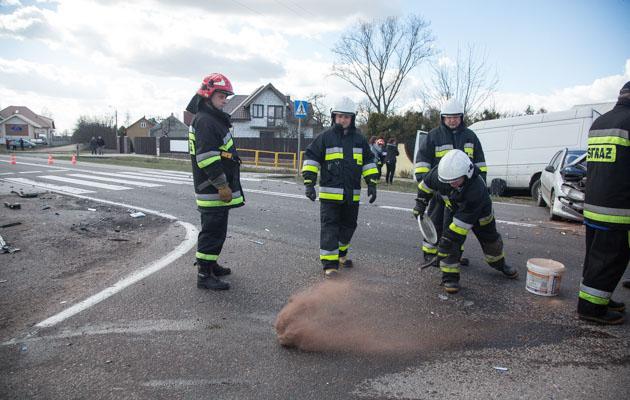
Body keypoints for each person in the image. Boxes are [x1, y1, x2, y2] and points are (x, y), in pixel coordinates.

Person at [413, 149, 517, 293]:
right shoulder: (440, 175)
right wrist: (420, 204)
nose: (451, 184)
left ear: (467, 173)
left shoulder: (476, 189)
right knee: (450, 245)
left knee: (491, 243)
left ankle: (500, 264)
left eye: (455, 181)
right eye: (447, 182)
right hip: (453, 209)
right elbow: (425, 187)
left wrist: (446, 242)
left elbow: (460, 226)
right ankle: (449, 278)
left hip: (480, 216)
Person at [302, 97, 379, 277]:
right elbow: (311, 159)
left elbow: (368, 162)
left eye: (347, 117)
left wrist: (372, 184)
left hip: (352, 195)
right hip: (330, 196)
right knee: (330, 228)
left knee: (349, 226)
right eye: (340, 116)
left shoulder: (359, 139)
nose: (343, 120)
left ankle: (341, 255)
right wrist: (309, 184)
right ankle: (330, 264)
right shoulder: (325, 137)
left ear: (352, 118)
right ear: (334, 117)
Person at [577, 81, 630, 325]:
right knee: (609, 259)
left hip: (594, 204)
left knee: (595, 258)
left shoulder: (600, 122)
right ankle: (591, 308)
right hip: (618, 209)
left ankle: (599, 299)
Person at [186, 72, 244, 290]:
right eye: (222, 96)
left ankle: (211, 264)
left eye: (226, 96)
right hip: (212, 188)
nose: (225, 100)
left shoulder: (210, 119)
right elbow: (207, 158)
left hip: (215, 187)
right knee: (212, 231)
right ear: (208, 95)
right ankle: (204, 274)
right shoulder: (206, 121)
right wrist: (221, 185)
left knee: (217, 229)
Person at [414, 99, 487, 263]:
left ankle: (453, 255)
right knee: (435, 221)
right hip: (439, 191)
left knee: (458, 226)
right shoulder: (434, 136)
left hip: (462, 193)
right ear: (442, 118)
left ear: (461, 117)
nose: (452, 120)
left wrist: (479, 189)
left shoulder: (470, 137)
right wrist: (425, 185)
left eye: (455, 117)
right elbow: (422, 163)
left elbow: (480, 164)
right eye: (448, 117)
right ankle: (430, 253)